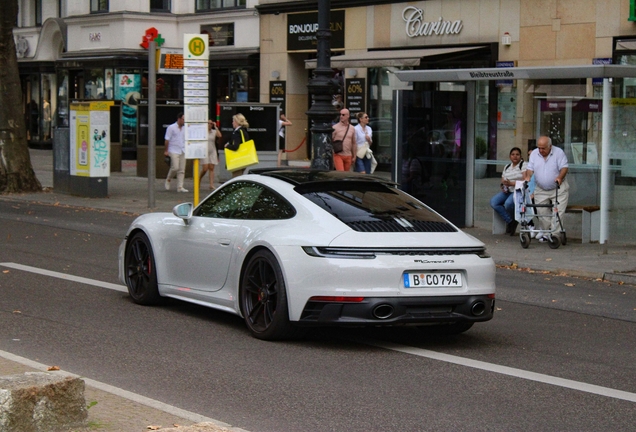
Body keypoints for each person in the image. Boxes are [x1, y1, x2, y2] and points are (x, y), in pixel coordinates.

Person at [524, 136, 569, 242]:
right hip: (541, 188)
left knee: (558, 212)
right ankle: (547, 231)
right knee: (541, 212)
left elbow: (564, 167)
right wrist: (528, 176)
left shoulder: (559, 153)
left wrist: (560, 177)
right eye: (539, 147)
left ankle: (555, 235)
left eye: (543, 148)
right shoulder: (534, 154)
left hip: (558, 188)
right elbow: (530, 169)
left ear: (550, 146)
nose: (540, 150)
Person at [490, 147, 525, 235]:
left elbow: (525, 180)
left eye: (517, 154)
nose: (515, 156)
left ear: (520, 156)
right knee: (494, 202)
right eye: (513, 154)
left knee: (508, 204)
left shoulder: (523, 165)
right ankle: (510, 221)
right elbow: (503, 180)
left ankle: (512, 221)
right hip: (507, 190)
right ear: (510, 156)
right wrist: (503, 185)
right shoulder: (507, 166)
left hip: (517, 191)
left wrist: (512, 183)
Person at [164, 112, 187, 193]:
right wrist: (166, 150)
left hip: (182, 150)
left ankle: (180, 186)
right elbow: (167, 139)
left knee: (182, 169)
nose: (184, 121)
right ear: (179, 119)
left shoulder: (185, 128)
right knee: (175, 167)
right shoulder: (171, 127)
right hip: (173, 150)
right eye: (183, 119)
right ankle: (168, 179)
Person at [224, 113, 250, 177]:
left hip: (238, 160)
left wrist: (227, 146)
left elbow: (235, 146)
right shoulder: (243, 131)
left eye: (233, 121)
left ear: (236, 122)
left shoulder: (237, 132)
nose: (232, 123)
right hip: (244, 159)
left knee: (236, 178)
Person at [200, 119, 222, 190]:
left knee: (211, 168)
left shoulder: (213, 131)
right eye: (208, 123)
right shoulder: (202, 132)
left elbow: (219, 135)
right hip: (204, 151)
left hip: (212, 150)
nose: (210, 125)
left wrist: (216, 127)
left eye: (211, 124)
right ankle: (199, 179)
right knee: (205, 168)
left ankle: (211, 184)